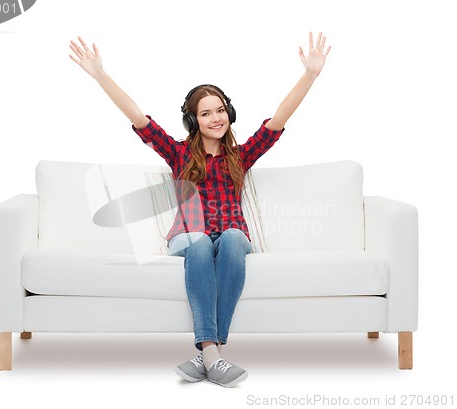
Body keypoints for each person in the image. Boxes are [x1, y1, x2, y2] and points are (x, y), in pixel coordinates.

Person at [69, 33, 330, 387]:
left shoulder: (240, 156)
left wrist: (310, 75)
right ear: (193, 121)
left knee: (237, 237)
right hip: (188, 240)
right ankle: (215, 354)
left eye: (220, 110)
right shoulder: (178, 154)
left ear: (230, 113)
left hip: (230, 239)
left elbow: (278, 120)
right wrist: (100, 74)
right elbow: (139, 119)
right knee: (201, 243)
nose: (216, 118)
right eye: (206, 113)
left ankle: (206, 355)